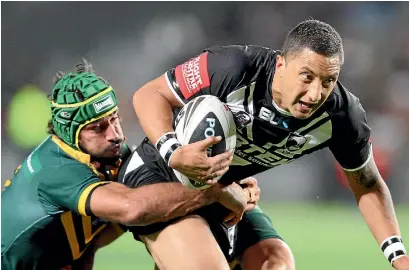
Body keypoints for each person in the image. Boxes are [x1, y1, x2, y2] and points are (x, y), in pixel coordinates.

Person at [129, 19, 409, 269]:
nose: (315, 94)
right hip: (159, 174)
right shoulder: (233, 67)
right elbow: (149, 94)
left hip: (223, 192)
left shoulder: (342, 116)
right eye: (307, 76)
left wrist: (399, 257)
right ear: (281, 65)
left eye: (328, 81)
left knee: (277, 263)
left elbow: (367, 183)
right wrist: (173, 151)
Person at [1, 59, 257, 270]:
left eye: (115, 119)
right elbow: (131, 209)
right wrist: (215, 190)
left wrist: (235, 183)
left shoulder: (104, 154)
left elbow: (117, 220)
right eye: (98, 128)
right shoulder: (55, 169)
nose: (115, 134)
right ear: (70, 133)